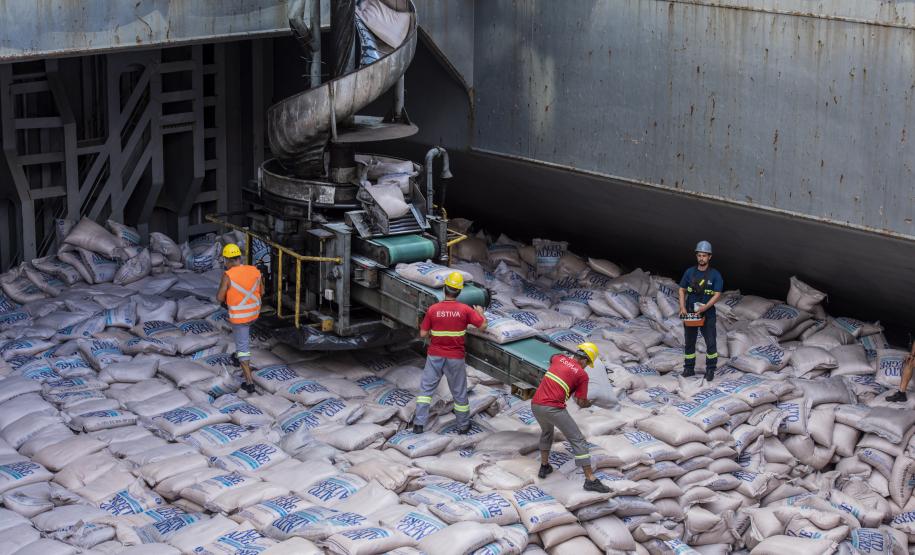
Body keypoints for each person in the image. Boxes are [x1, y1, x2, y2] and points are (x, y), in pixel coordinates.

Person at [414, 271, 487, 435]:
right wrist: (480, 312)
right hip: (455, 357)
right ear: (459, 291)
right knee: (459, 393)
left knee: (426, 391)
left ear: (445, 289)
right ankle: (463, 426)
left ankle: (418, 424)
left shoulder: (433, 309)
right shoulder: (465, 310)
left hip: (435, 355)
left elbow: (423, 334)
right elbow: (482, 327)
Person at [532, 342, 610, 493]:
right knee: (578, 439)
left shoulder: (559, 358)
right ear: (584, 360)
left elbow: (552, 357)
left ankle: (544, 466)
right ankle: (590, 480)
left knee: (547, 432)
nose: (587, 366)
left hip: (536, 405)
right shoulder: (582, 375)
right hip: (553, 408)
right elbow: (580, 401)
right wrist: (589, 403)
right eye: (588, 363)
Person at [216, 243, 264, 394]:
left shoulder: (228, 275)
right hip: (254, 313)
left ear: (227, 260)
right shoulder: (255, 271)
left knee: (243, 347)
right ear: (239, 257)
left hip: (240, 318)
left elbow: (219, 297)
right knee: (242, 339)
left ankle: (249, 383)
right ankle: (237, 356)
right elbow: (262, 291)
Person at [678, 240, 723, 382]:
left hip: (707, 314)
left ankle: (710, 370)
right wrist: (682, 307)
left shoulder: (715, 275)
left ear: (709, 257)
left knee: (710, 342)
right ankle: (688, 368)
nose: (701, 258)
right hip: (690, 313)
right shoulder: (689, 272)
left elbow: (717, 294)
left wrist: (705, 307)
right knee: (689, 342)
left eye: (704, 255)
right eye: (699, 255)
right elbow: (681, 289)